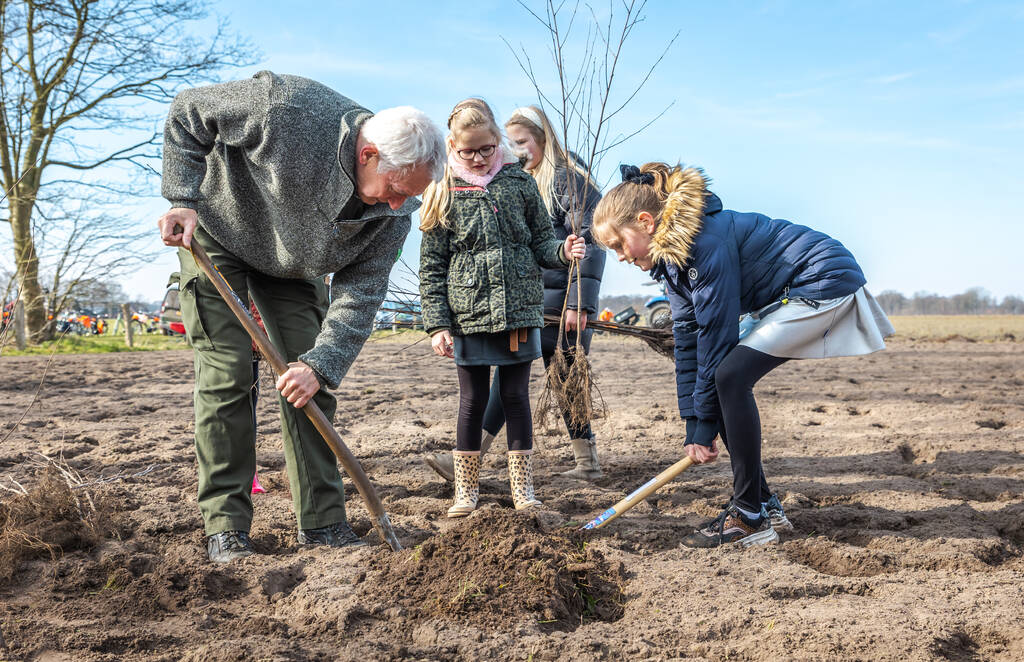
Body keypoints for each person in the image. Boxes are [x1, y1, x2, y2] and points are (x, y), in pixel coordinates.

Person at [157, 71, 445, 563]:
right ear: (367, 154)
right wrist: (182, 198)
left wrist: (321, 364)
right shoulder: (284, 109)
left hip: (296, 264)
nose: (400, 205)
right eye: (395, 189)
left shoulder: (395, 213)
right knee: (228, 374)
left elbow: (360, 296)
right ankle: (226, 527)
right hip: (221, 234)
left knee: (306, 381)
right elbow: (189, 111)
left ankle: (324, 522)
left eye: (410, 196)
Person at [592, 162, 894, 548]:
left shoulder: (704, 244)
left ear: (647, 222)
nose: (618, 256)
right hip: (794, 290)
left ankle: (749, 516)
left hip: (823, 280)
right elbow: (688, 340)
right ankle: (763, 505)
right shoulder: (674, 264)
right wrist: (694, 424)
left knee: (730, 376)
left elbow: (716, 338)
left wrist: (705, 424)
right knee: (724, 378)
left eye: (619, 244)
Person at [418, 98, 586, 517]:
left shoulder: (518, 182)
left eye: (486, 149)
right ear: (452, 146)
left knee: (515, 397)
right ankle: (465, 493)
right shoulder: (442, 190)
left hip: (518, 311)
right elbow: (432, 266)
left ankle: (522, 490)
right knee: (472, 401)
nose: (477, 158)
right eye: (467, 151)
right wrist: (437, 324)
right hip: (468, 314)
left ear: (498, 141)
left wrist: (563, 250)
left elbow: (541, 242)